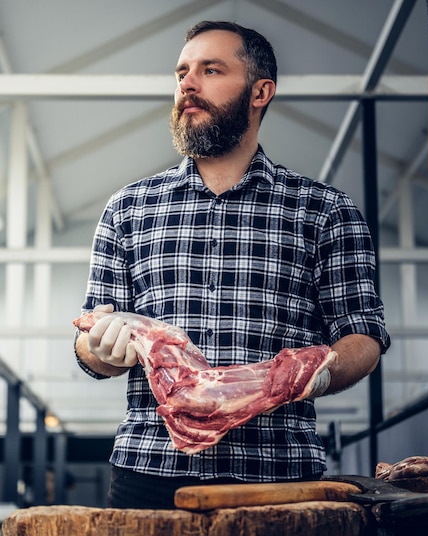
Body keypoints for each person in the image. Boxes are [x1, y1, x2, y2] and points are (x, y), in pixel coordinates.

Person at [74, 20, 390, 510]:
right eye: (182, 72)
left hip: (280, 475)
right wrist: (99, 348)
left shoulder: (324, 210)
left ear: (261, 91)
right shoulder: (128, 208)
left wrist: (310, 374)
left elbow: (364, 335)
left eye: (211, 69)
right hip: (150, 472)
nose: (187, 84)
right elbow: (90, 333)